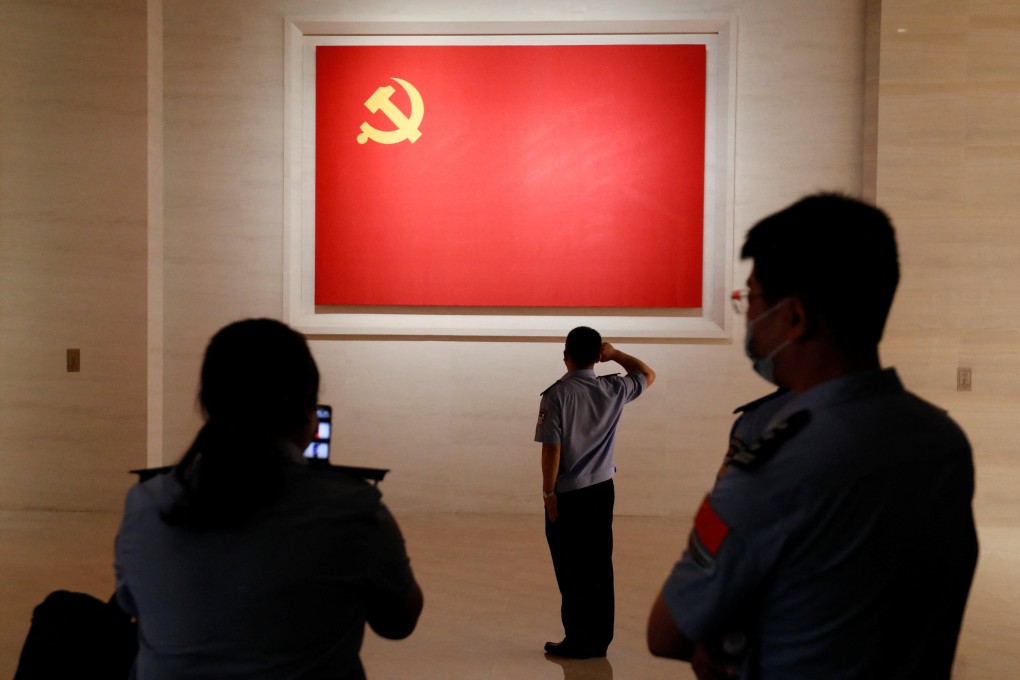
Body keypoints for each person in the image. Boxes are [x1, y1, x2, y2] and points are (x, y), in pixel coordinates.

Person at [646, 193, 979, 679]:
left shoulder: (773, 468)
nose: (749, 316)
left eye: (752, 299)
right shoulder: (943, 442)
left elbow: (668, 631)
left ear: (794, 318)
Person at [114, 318, 423, 679]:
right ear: (308, 404)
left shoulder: (145, 504)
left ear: (209, 403)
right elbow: (398, 622)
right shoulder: (353, 509)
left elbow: (130, 604)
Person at [535, 326, 655, 659]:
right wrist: (615, 354)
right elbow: (646, 373)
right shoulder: (614, 387)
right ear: (597, 357)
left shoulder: (557, 395)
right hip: (602, 490)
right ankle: (599, 639)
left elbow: (551, 450)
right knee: (599, 566)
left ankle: (577, 639)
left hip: (568, 495)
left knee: (571, 568)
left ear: (565, 355)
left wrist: (548, 493)